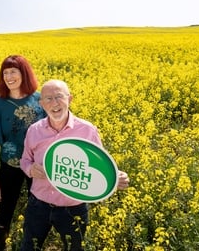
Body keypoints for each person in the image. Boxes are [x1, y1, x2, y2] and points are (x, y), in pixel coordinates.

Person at [19, 79, 130, 251]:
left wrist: (115, 177)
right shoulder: (34, 130)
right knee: (29, 247)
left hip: (73, 208)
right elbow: (25, 160)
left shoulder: (87, 130)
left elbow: (98, 164)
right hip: (38, 204)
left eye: (59, 97)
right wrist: (30, 169)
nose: (54, 103)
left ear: (69, 99)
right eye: (48, 98)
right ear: (41, 104)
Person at [0, 55, 46, 251]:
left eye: (13, 72)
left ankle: (32, 245)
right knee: (6, 209)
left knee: (38, 208)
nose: (9, 77)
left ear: (24, 73)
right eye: (5, 73)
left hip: (37, 166)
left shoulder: (39, 99)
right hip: (10, 165)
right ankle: (0, 247)